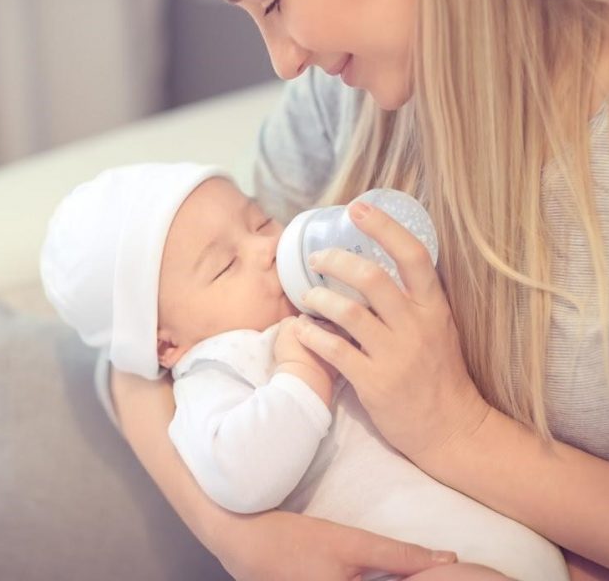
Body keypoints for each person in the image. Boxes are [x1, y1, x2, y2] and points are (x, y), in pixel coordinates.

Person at [107, 0, 609, 579]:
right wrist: (241, 539)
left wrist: (456, 432)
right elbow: (140, 334)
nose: (285, 61)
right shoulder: (351, 100)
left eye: (272, 0)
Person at [39, 161, 570, 581]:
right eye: (225, 265)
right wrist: (301, 373)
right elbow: (238, 476)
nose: (267, 248)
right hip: (407, 565)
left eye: (259, 220)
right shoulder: (215, 370)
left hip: (513, 535)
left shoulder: (312, 301)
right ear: (167, 344)